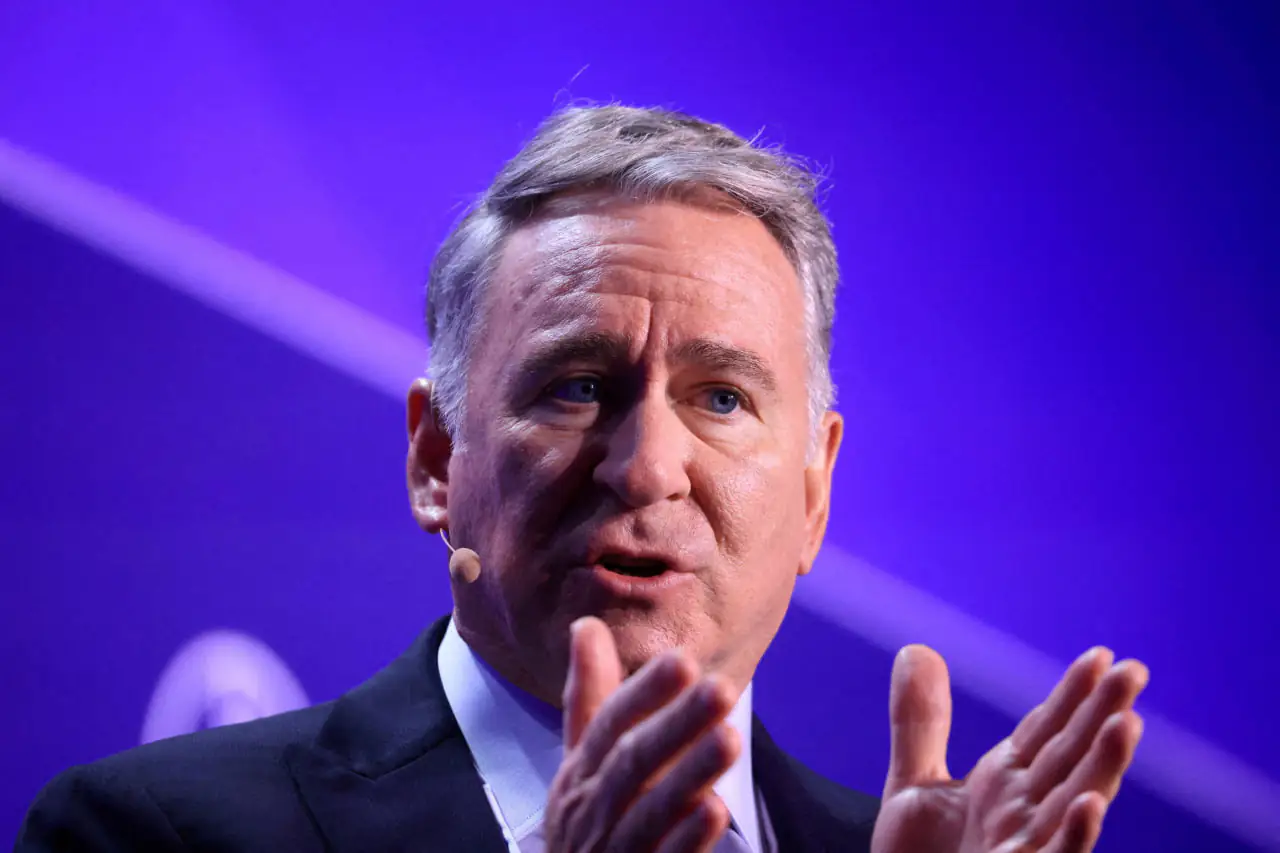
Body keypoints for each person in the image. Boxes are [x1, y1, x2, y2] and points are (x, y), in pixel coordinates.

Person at [16, 105, 1148, 853]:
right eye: (577, 387)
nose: (648, 465)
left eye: (721, 398)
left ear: (814, 493)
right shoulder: (153, 833)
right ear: (436, 458)